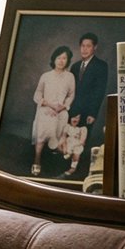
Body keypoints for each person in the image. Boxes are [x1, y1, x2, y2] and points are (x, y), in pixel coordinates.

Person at [66, 32, 109, 178]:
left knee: (82, 140)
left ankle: (76, 170)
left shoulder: (101, 66)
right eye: (83, 46)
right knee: (70, 137)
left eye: (88, 46)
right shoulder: (75, 66)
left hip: (88, 110)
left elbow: (99, 91)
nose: (84, 49)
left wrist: (92, 113)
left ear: (94, 47)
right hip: (73, 108)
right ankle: (67, 166)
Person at [31, 45, 77, 177]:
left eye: (64, 58)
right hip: (46, 108)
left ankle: (56, 152)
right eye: (59, 58)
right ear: (54, 59)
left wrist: (63, 107)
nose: (61, 61)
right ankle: (37, 160)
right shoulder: (45, 76)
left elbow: (71, 95)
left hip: (61, 110)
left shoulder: (70, 77)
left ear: (67, 61)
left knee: (63, 118)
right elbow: (37, 95)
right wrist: (49, 104)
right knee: (42, 133)